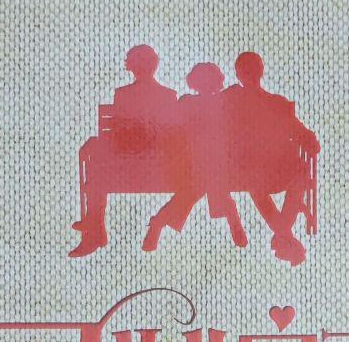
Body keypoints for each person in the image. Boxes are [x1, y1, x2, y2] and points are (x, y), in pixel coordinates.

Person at [71, 44, 179, 256]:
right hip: (157, 168)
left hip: (137, 169)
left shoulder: (124, 94)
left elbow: (120, 134)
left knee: (97, 171)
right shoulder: (168, 95)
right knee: (98, 167)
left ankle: (95, 229)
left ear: (133, 66)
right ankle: (95, 228)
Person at [223, 51, 319, 266]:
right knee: (298, 174)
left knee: (262, 181)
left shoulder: (231, 100)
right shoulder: (277, 103)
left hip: (252, 171)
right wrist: (309, 140)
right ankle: (284, 236)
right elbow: (302, 134)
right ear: (261, 72)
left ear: (238, 74)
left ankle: (284, 237)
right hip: (270, 171)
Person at [142, 62, 247, 252]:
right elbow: (174, 130)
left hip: (214, 162)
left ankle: (158, 222)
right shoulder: (190, 102)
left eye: (210, 80)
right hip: (192, 160)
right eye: (203, 80)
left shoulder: (220, 100)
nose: (207, 85)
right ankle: (234, 220)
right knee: (210, 184)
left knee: (197, 188)